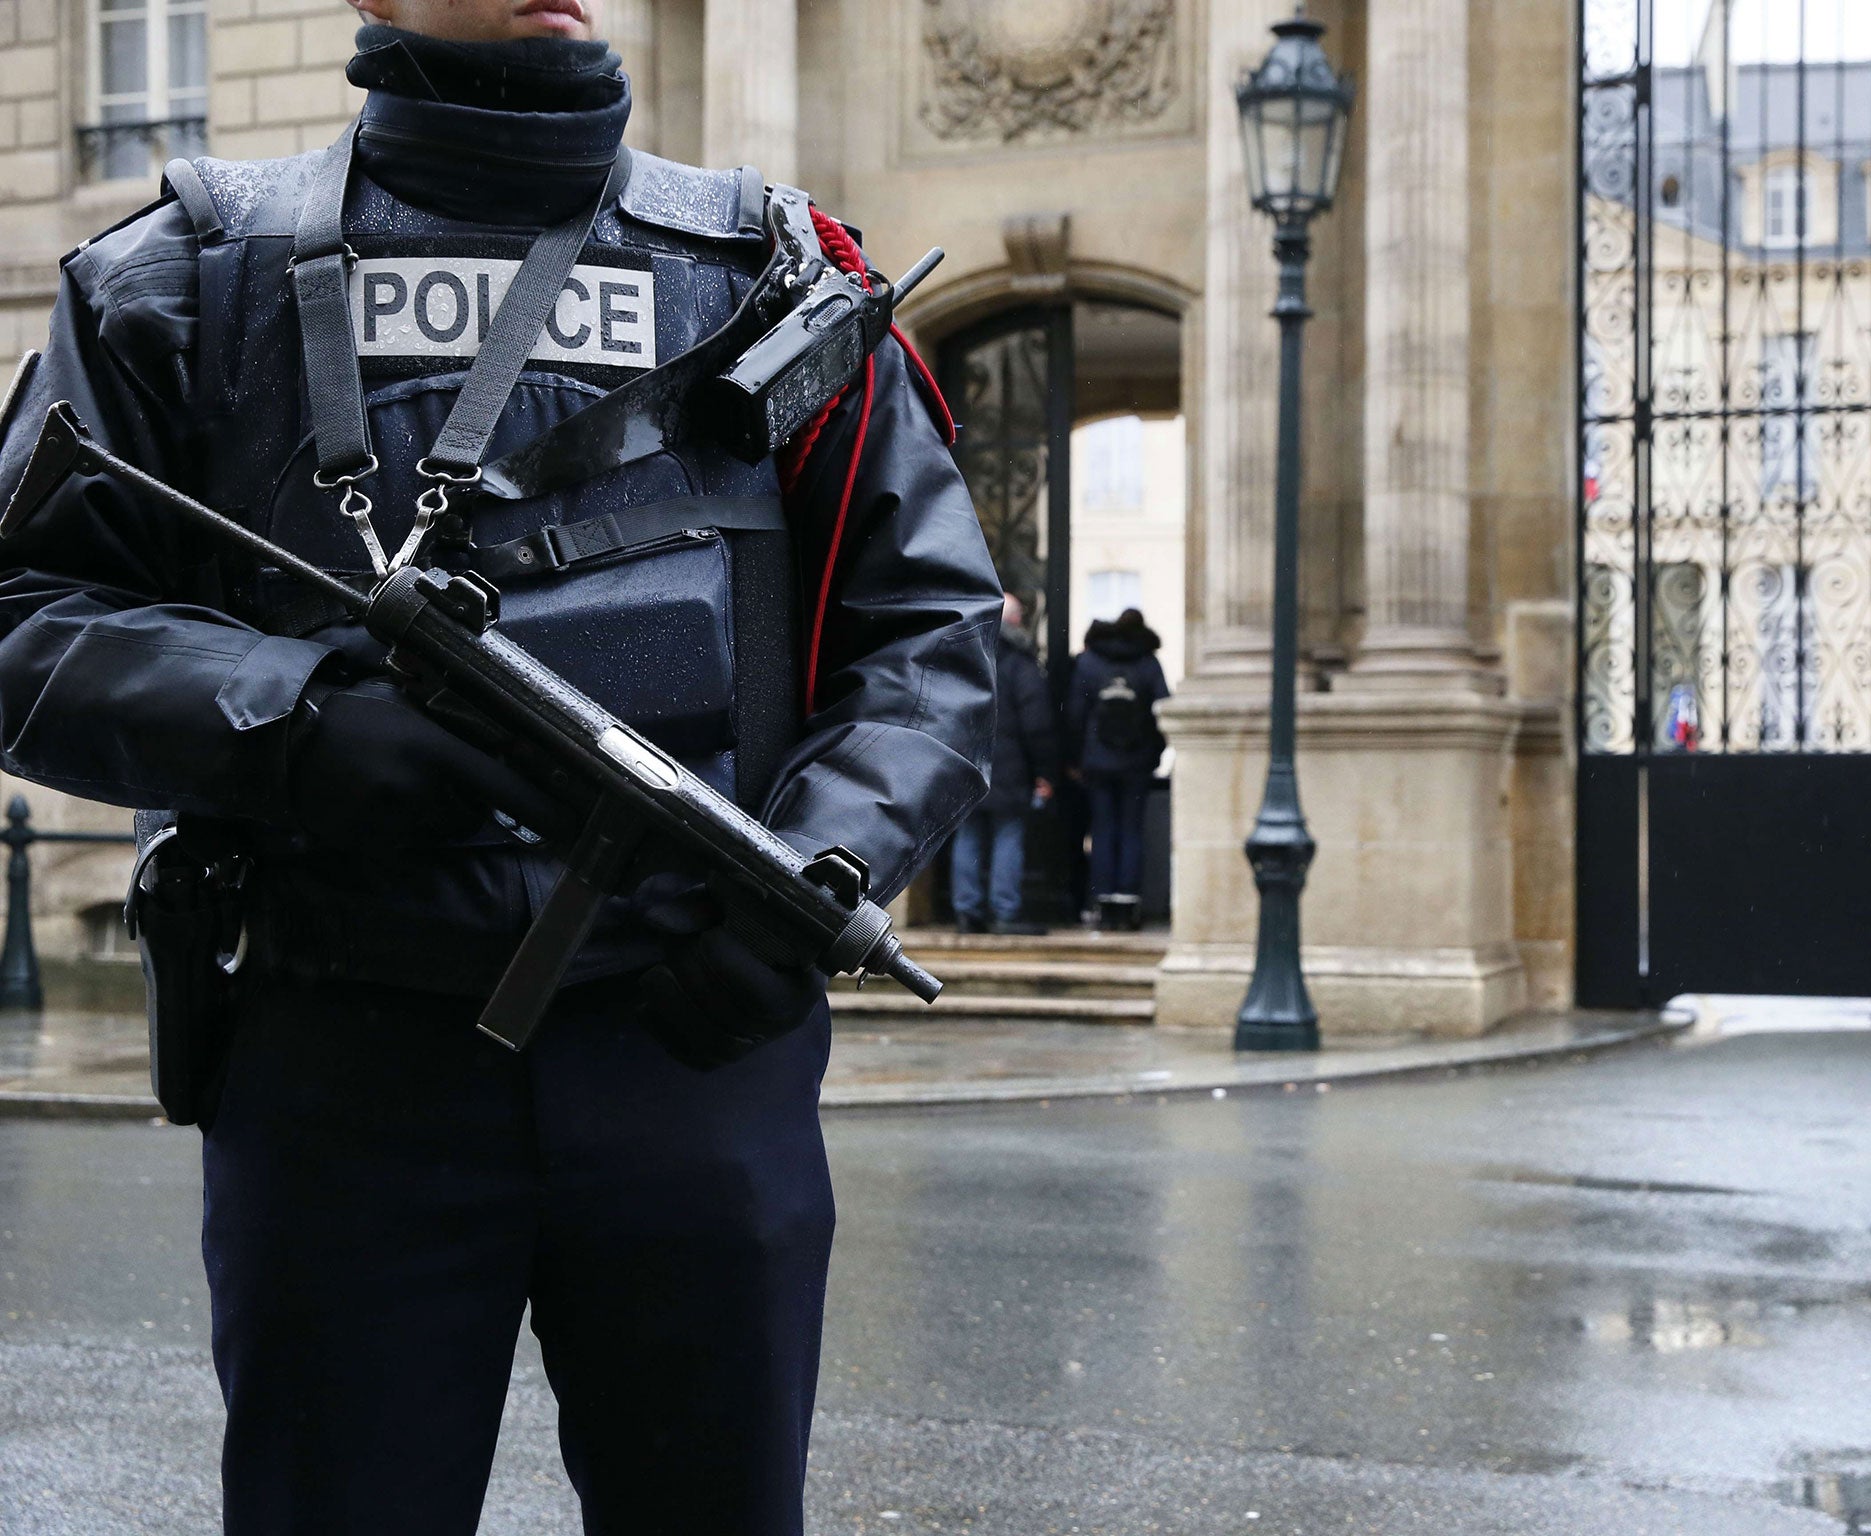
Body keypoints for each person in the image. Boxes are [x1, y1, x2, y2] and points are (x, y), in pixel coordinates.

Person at [0, 0, 1000, 1529]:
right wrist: (290, 719)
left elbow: (926, 628)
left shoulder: (778, 276)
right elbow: (25, 617)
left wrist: (819, 875)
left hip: (693, 1043)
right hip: (339, 1050)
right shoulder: (187, 274)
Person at [952, 591, 1056, 935]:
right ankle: (1004, 910)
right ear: (1012, 620)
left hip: (967, 762)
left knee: (967, 835)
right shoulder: (1020, 663)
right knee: (1007, 834)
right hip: (1009, 768)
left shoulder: (966, 657)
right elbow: (1037, 723)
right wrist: (1044, 770)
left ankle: (967, 910)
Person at [1067, 607, 1169, 931]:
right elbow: (1162, 711)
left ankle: (1102, 902)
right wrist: (1154, 752)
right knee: (1131, 830)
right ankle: (1128, 902)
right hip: (1136, 762)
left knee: (1103, 830)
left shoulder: (1089, 661)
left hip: (1098, 761)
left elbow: (1075, 715)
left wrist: (1075, 758)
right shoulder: (1148, 662)